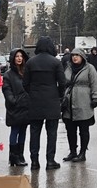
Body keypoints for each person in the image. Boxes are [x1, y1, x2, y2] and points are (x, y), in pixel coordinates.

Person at [23, 36, 67, 169]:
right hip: (52, 101)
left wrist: (32, 93)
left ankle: (34, 161)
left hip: (35, 101)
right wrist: (59, 96)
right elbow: (63, 82)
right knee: (51, 133)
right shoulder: (55, 62)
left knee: (34, 132)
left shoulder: (30, 62)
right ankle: (50, 160)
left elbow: (25, 83)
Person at [62, 49, 97, 162]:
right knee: (70, 130)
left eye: (77, 55)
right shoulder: (68, 67)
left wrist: (95, 97)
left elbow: (94, 83)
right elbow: (63, 81)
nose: (75, 57)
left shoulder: (89, 68)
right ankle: (73, 152)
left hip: (84, 102)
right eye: (73, 55)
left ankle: (82, 153)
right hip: (69, 102)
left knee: (83, 130)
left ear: (82, 56)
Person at [2, 48, 30, 166]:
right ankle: (13, 156)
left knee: (23, 131)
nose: (19, 58)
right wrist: (13, 101)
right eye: (17, 56)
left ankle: (20, 154)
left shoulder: (26, 72)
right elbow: (6, 90)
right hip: (15, 108)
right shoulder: (8, 74)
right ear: (13, 58)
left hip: (26, 107)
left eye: (21, 56)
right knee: (15, 131)